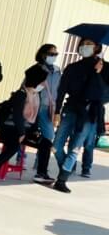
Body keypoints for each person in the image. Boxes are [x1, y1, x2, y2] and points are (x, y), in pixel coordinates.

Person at [42, 38, 109, 193]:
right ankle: (67, 167)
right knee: (56, 146)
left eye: (89, 44)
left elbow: (104, 94)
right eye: (83, 44)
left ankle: (62, 179)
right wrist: (57, 111)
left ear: (97, 47)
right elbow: (61, 91)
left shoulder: (105, 68)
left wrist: (98, 74)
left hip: (90, 112)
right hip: (71, 108)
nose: (85, 47)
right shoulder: (72, 67)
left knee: (75, 147)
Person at [0, 64, 47, 183]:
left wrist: (34, 130)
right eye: (43, 81)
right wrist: (21, 133)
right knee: (13, 146)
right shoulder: (20, 95)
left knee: (46, 144)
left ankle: (41, 174)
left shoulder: (36, 95)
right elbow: (17, 116)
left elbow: (34, 117)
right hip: (9, 130)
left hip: (25, 130)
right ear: (36, 81)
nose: (44, 84)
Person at [32, 43, 62, 182]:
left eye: (56, 54)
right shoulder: (36, 69)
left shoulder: (57, 71)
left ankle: (40, 167)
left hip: (49, 107)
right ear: (43, 54)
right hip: (35, 106)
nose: (54, 56)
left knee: (48, 137)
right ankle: (40, 171)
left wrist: (57, 110)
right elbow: (26, 87)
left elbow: (59, 90)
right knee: (44, 137)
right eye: (51, 53)